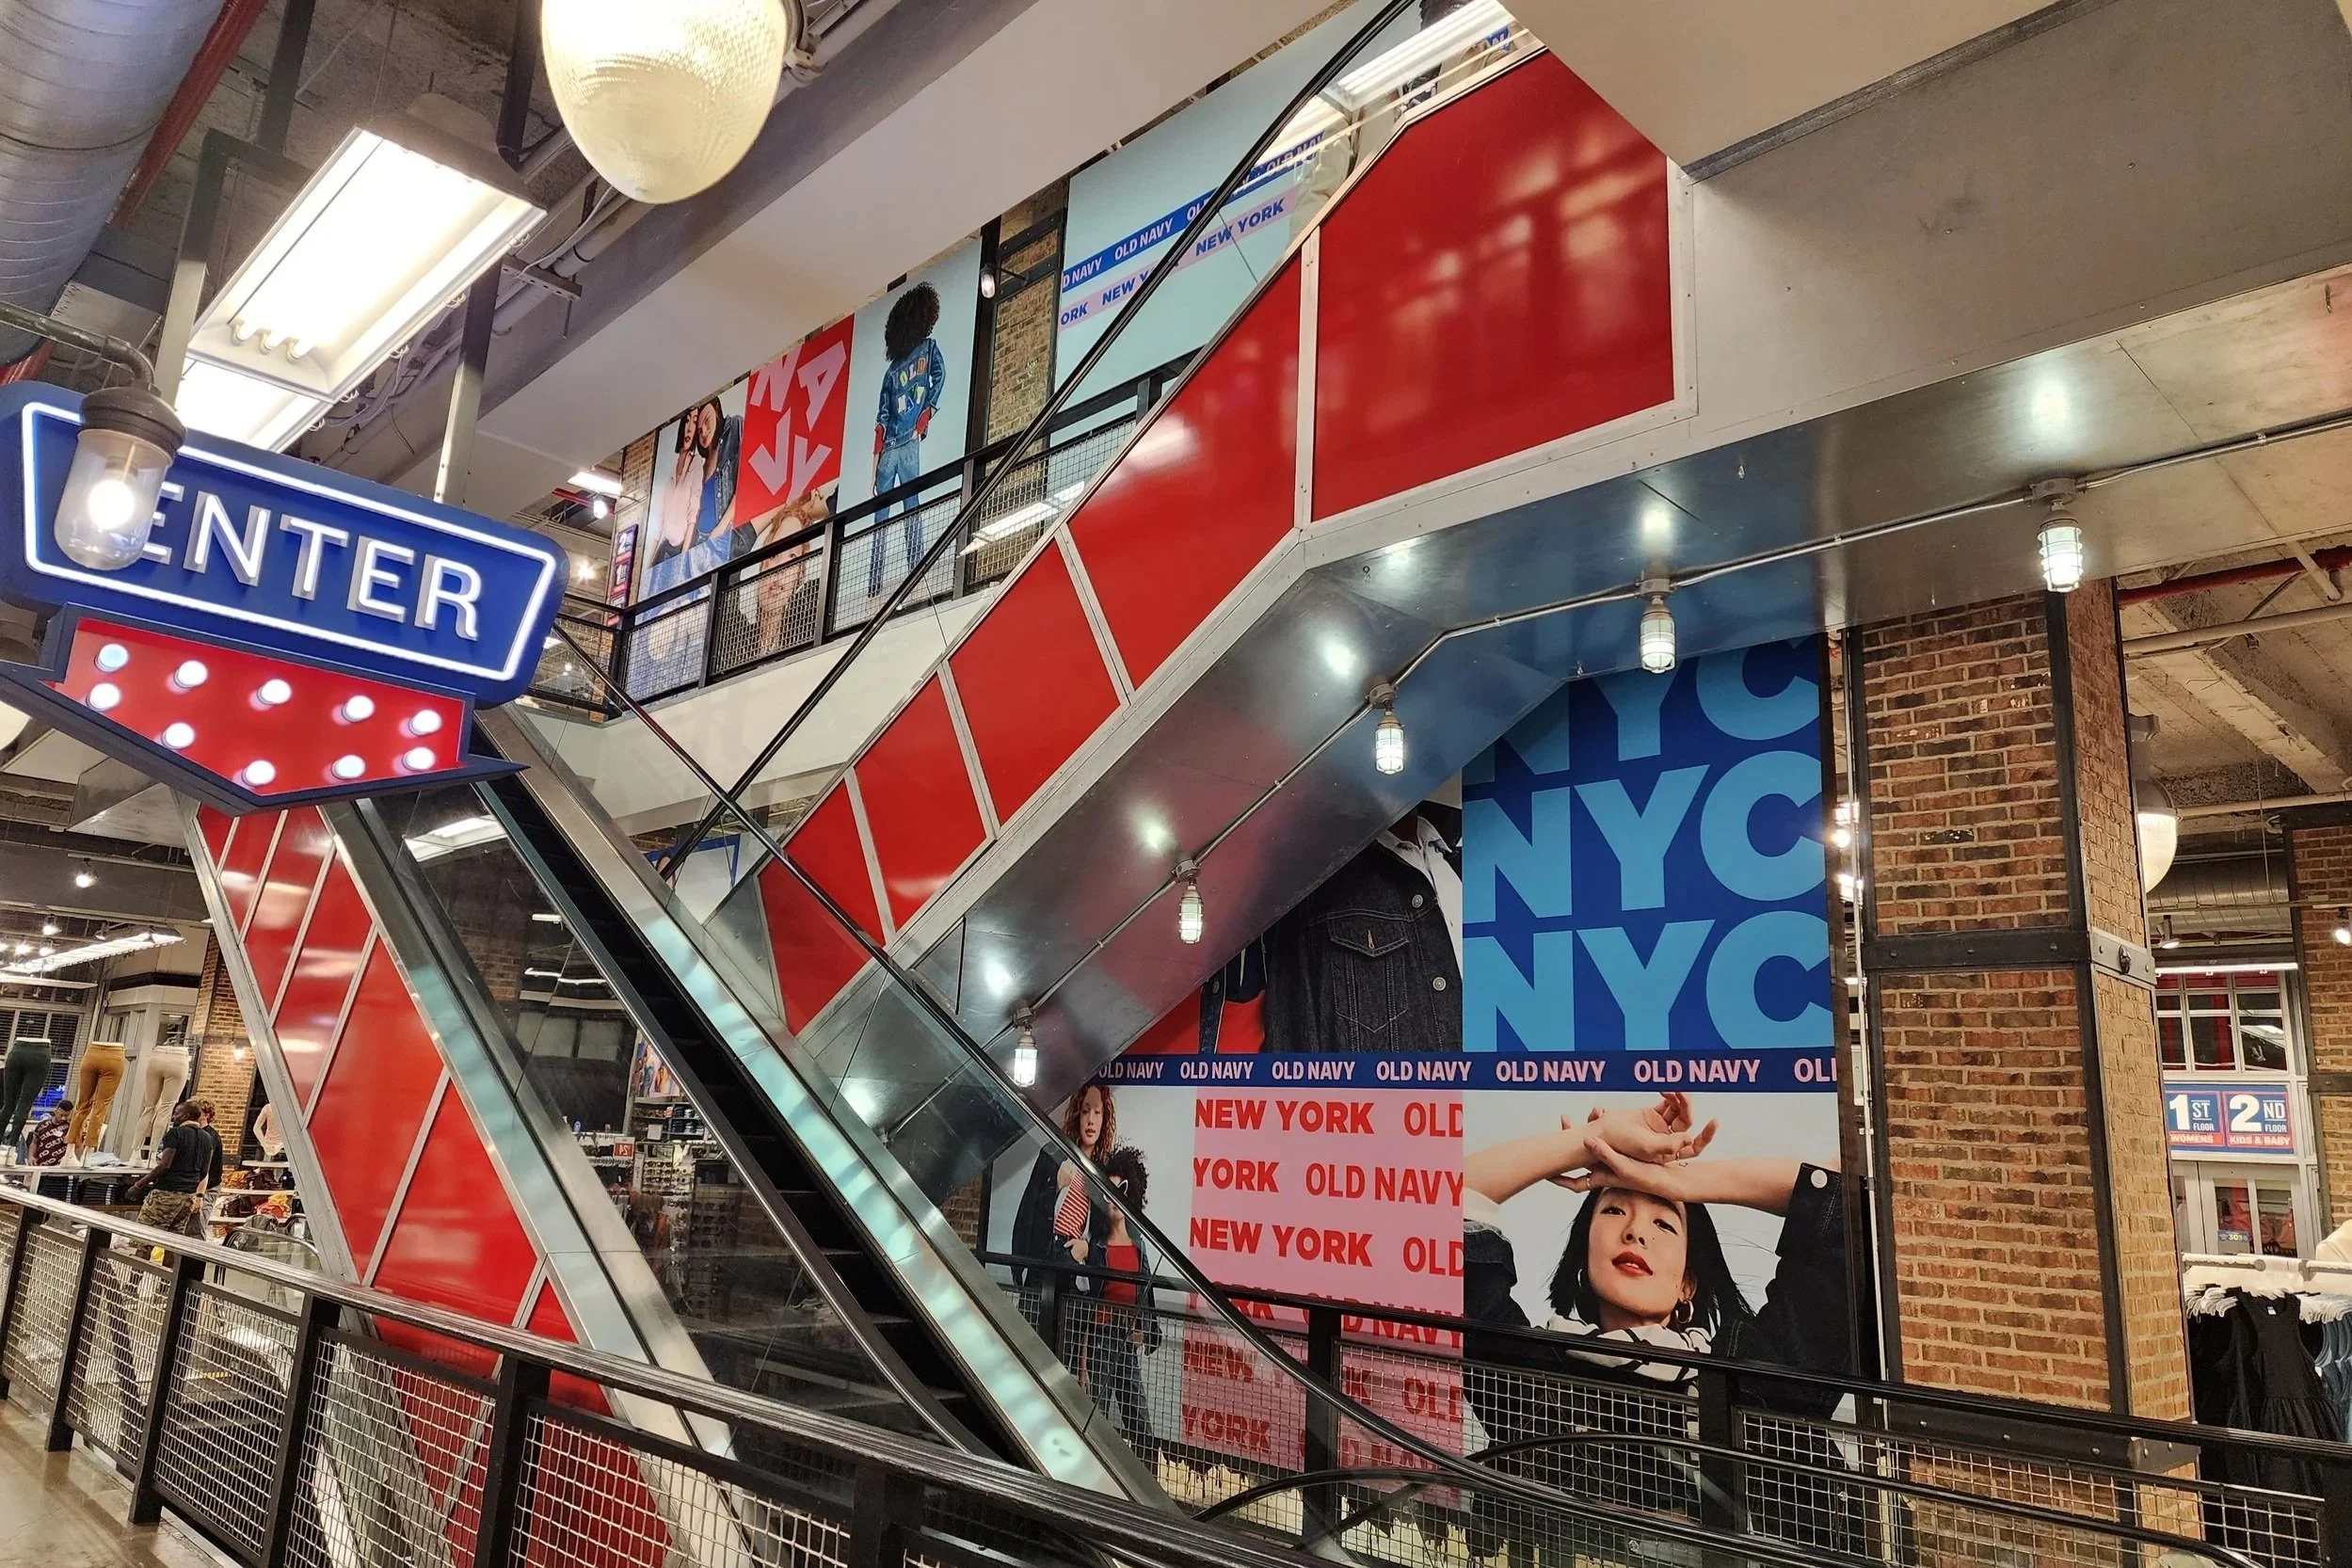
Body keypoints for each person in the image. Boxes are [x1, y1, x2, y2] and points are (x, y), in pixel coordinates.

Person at [1461, 1094, 1853, 1532]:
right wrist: (1594, 1140)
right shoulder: (1534, 1372)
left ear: (1688, 1283)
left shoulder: (1748, 1376)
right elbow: (1447, 1209)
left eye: (1663, 1222)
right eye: (1613, 1210)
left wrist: (1678, 1180)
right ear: (1583, 1252)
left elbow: (1844, 1203)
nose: (1635, 1232)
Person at [1263, 804, 1462, 1053]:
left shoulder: (1482, 851)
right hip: (1381, 1091)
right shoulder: (1316, 876)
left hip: (1496, 1088)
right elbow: (1292, 1045)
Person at [1010, 1083, 1115, 1340]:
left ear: (1105, 1119)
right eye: (1085, 1111)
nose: (1091, 1120)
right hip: (1044, 1258)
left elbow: (1109, 1233)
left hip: (1075, 1264)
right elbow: (1028, 1210)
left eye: (1098, 1113)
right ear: (1076, 1115)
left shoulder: (1105, 1173)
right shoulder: (1054, 1154)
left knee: (1064, 1346)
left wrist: (1088, 1250)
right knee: (1027, 1343)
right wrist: (1055, 1185)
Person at [1080, 1144, 1160, 1464]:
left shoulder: (1140, 1250)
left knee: (1140, 1427)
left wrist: (1145, 1332)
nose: (1114, 1199)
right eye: (1108, 1192)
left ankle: (1149, 1494)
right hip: (1099, 1340)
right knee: (1094, 1425)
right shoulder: (1095, 1248)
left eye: (1121, 1190)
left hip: (1125, 1343)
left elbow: (1146, 1301)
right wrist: (1083, 1362)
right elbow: (1087, 1306)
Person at [867, 283, 945, 597]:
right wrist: (925, 415)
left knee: (880, 517)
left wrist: (873, 470)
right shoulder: (929, 349)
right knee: (911, 506)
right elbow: (939, 378)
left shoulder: (891, 371)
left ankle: (874, 583)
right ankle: (916, 569)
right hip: (910, 442)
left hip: (888, 450)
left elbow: (880, 422)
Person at [125, 1102, 213, 1238]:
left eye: (177, 1113)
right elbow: (204, 1171)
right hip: (188, 1197)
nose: (173, 1117)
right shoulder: (207, 1138)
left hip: (166, 1193)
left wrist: (138, 1185)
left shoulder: (175, 1133)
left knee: (145, 1239)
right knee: (173, 1242)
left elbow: (164, 1165)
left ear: (186, 1115)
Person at [26, 1098, 71, 1167]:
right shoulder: (42, 1125)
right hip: (40, 1164)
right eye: (61, 1115)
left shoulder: (69, 1128)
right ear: (56, 1111)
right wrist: (31, 1156)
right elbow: (34, 1143)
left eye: (66, 1116)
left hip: (59, 1167)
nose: (63, 1118)